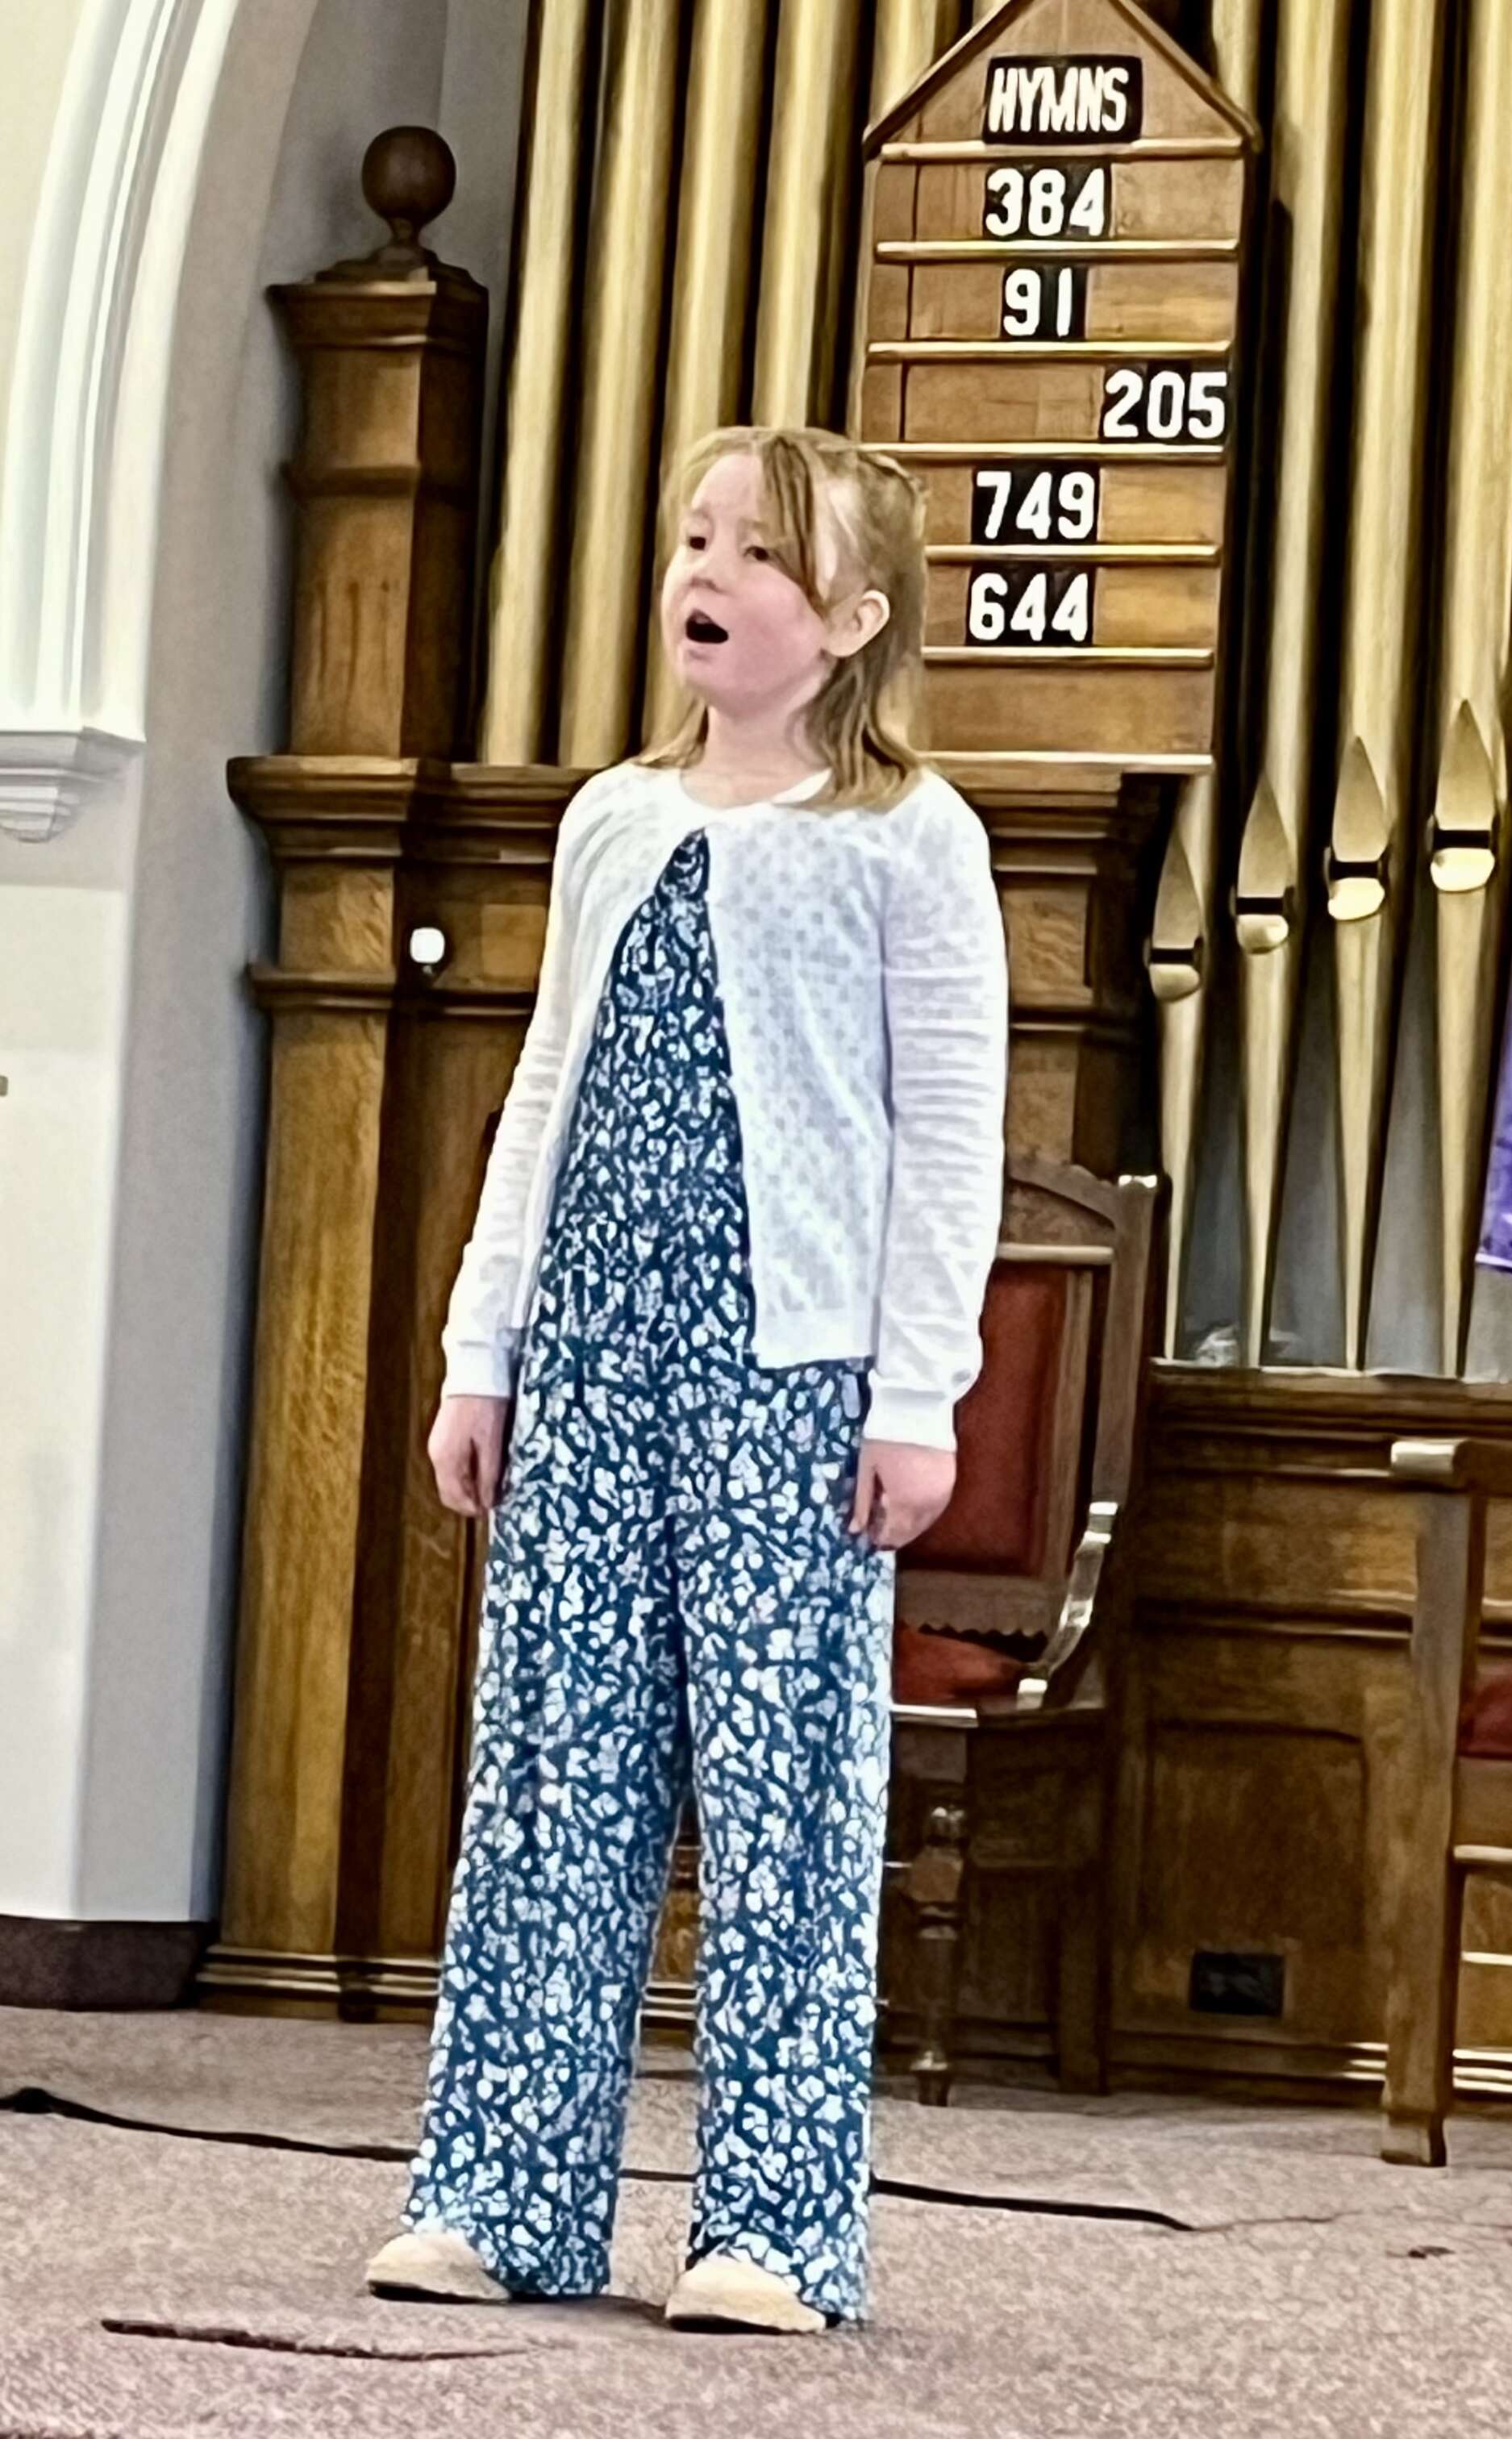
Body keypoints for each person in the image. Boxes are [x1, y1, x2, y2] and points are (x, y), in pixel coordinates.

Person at [365, 424, 1010, 2333]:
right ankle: (502, 2192)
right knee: (552, 1773)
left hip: (788, 1371)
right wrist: (483, 1347)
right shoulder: (613, 820)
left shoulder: (908, 836)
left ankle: (771, 2231)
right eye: (694, 540)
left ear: (857, 618)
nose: (706, 575)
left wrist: (918, 1392)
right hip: (588, 1357)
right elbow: (543, 1092)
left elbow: (945, 1131)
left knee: (782, 1791)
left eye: (761, 554)